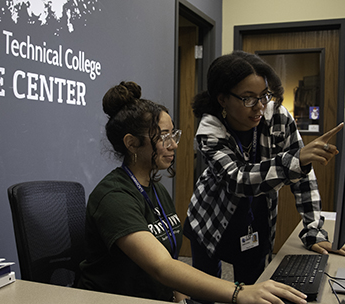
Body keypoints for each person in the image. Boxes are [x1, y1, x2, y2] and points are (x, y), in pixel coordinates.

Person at [78, 81, 311, 304]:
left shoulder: (156, 189)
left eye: (173, 134)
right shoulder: (113, 197)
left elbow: (171, 262)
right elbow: (162, 266)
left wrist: (181, 300)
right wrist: (239, 292)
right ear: (131, 143)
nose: (174, 145)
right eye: (163, 136)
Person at [186, 51, 345, 289]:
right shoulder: (209, 130)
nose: (260, 106)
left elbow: (303, 177)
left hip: (256, 222)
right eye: (248, 99)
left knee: (254, 289)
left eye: (264, 96)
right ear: (223, 99)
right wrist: (295, 161)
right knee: (206, 292)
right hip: (210, 221)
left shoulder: (277, 117)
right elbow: (238, 179)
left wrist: (313, 229)